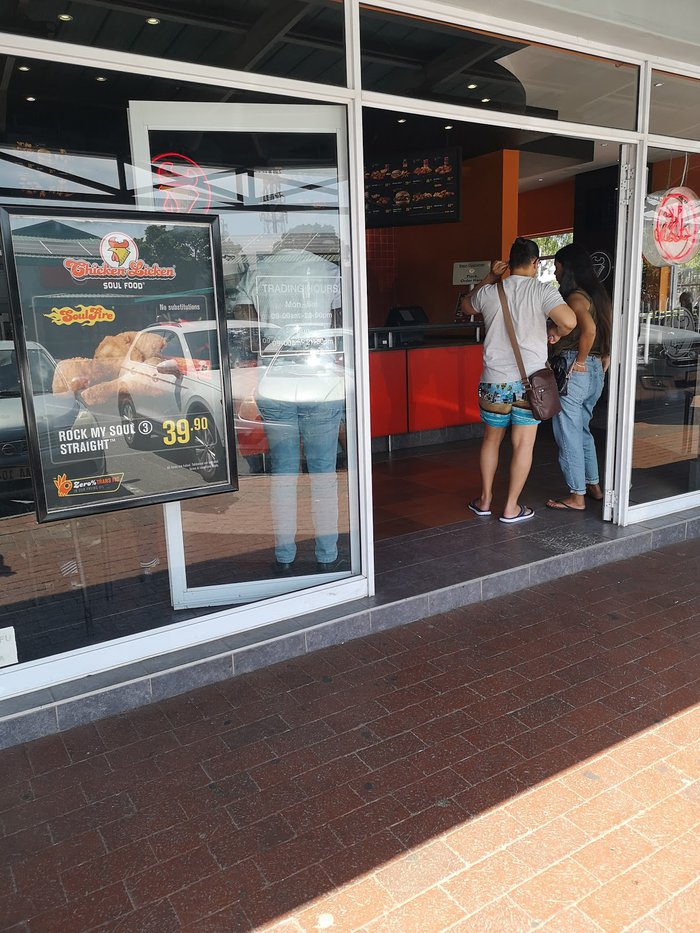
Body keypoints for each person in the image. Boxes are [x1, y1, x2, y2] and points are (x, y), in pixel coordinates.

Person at [233, 243, 345, 575]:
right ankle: (327, 554)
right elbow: (338, 329)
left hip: (276, 382)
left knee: (283, 475)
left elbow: (245, 325)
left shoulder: (258, 271)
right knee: (323, 474)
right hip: (321, 383)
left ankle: (284, 555)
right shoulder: (328, 271)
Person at [463, 237, 576, 523]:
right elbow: (570, 321)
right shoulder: (542, 291)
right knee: (523, 445)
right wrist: (556, 332)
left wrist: (490, 277)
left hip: (494, 382)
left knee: (491, 440)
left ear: (509, 263)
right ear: (535, 263)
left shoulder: (490, 291)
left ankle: (485, 500)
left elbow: (466, 307)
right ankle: (511, 507)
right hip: (531, 383)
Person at [545, 242, 612, 511]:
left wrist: (580, 361)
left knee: (568, 432)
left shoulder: (575, 297)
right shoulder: (597, 296)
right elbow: (605, 328)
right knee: (582, 428)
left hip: (577, 368)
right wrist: (603, 357)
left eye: (557, 267)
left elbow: (590, 329)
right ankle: (593, 485)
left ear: (568, 268)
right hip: (595, 371)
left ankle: (576, 495)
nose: (555, 273)